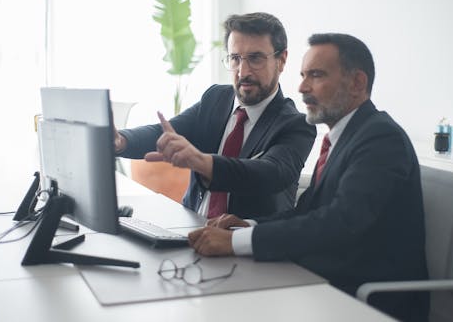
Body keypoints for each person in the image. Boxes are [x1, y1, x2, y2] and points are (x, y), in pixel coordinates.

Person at [188, 33, 429, 321]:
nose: (302, 87)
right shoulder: (343, 137)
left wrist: (235, 243)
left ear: (357, 83)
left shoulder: (380, 139)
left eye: (316, 75)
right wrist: (245, 227)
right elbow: (307, 212)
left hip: (366, 300)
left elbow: (339, 223)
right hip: (325, 285)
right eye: (303, 75)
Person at [115, 12, 316, 219]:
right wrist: (121, 141)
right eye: (235, 59)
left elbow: (267, 174)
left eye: (255, 58)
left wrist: (200, 161)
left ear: (281, 61)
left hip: (241, 242)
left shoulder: (296, 126)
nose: (242, 71)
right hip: (188, 228)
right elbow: (164, 133)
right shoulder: (216, 99)